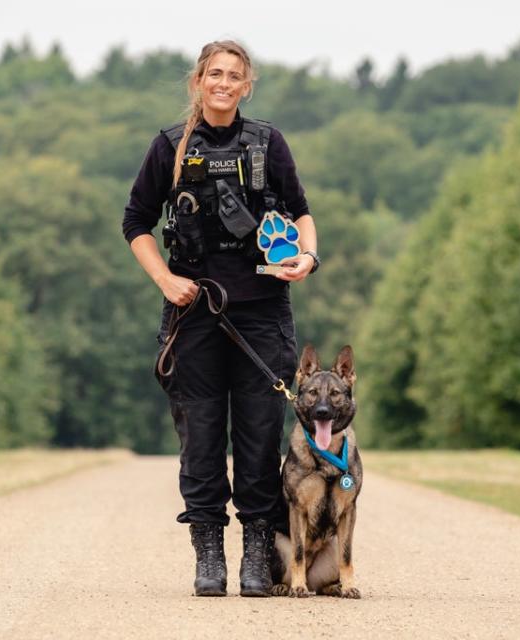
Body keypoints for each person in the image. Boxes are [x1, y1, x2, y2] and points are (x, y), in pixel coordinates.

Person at [122, 40, 319, 597]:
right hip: (194, 314)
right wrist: (165, 280)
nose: (224, 83)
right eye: (215, 74)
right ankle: (208, 553)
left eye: (234, 75)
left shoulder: (268, 142)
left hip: (262, 315)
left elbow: (300, 211)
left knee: (260, 439)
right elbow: (135, 222)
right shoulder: (169, 146)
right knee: (202, 439)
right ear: (198, 81)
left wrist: (307, 258)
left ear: (246, 84)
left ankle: (257, 553)